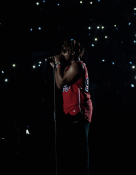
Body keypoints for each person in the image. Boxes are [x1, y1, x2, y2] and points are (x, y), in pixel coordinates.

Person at [49, 40, 92, 175]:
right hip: (70, 110)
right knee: (73, 152)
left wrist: (58, 64)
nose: (62, 53)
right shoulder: (68, 67)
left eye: (64, 51)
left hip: (78, 110)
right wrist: (57, 66)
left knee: (79, 153)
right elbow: (58, 84)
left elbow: (61, 82)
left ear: (72, 52)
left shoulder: (77, 66)